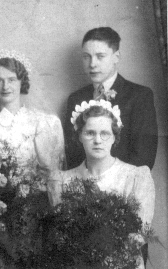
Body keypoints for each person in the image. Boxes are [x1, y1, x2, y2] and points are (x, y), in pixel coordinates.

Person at [50, 100, 155, 269]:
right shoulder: (62, 181)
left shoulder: (135, 177)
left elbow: (139, 233)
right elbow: (61, 237)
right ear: (79, 136)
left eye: (105, 133)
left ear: (114, 137)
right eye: (90, 133)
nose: (97, 140)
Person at [65, 27, 158, 170]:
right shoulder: (76, 99)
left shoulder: (140, 96)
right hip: (83, 186)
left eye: (100, 56)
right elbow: (72, 154)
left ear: (116, 57)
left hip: (124, 186)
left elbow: (144, 157)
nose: (92, 64)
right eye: (86, 56)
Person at [0, 50, 65, 180]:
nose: (5, 87)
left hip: (32, 197)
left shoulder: (42, 122)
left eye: (11, 80)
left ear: (21, 82)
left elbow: (52, 175)